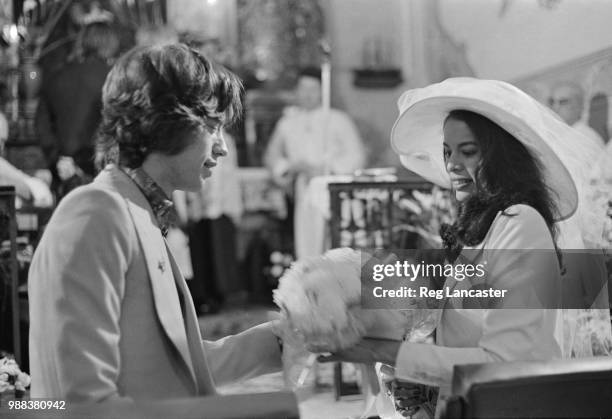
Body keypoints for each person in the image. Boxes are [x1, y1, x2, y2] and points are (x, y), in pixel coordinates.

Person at [320, 77, 594, 417]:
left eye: (468, 151)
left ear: (502, 159)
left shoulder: (520, 222)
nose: (451, 164)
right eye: (447, 151)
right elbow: (462, 330)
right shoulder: (485, 226)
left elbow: (503, 362)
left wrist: (382, 351)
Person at [28, 44, 282, 402]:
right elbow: (82, 402)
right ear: (165, 122)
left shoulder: (139, 211)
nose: (223, 148)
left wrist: (292, 338)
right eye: (212, 126)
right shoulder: (94, 212)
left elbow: (176, 368)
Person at [264, 67, 365, 259]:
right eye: (303, 89)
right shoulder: (287, 122)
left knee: (333, 241)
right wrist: (290, 167)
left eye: (314, 89)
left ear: (322, 91)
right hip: (304, 188)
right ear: (296, 91)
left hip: (334, 188)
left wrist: (327, 168)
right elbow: (273, 156)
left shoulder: (338, 119)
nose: (308, 95)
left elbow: (356, 155)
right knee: (307, 241)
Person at [36, 21, 121, 197]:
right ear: (110, 44)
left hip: (63, 171)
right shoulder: (113, 78)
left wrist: (57, 159)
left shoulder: (56, 76)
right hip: (101, 173)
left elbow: (41, 125)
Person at [548, 81, 605, 149]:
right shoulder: (553, 134)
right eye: (551, 102)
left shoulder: (586, 138)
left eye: (563, 102)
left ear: (579, 106)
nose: (555, 107)